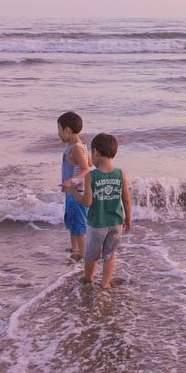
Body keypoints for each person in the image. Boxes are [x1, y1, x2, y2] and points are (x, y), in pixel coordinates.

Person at [76, 131, 132, 289]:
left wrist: (75, 194)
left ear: (96, 152)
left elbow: (87, 202)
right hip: (116, 223)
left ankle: (88, 279)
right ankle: (106, 283)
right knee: (110, 255)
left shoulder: (91, 176)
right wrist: (128, 219)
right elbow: (126, 199)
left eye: (91, 154)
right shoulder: (121, 174)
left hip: (97, 224)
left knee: (91, 255)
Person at [57, 111, 92, 262]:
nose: (58, 134)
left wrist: (71, 180)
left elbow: (86, 168)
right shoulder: (81, 146)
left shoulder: (77, 148)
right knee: (72, 221)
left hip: (77, 192)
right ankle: (74, 249)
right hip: (71, 192)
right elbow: (90, 162)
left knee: (79, 224)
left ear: (68, 130)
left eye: (59, 130)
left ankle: (83, 256)